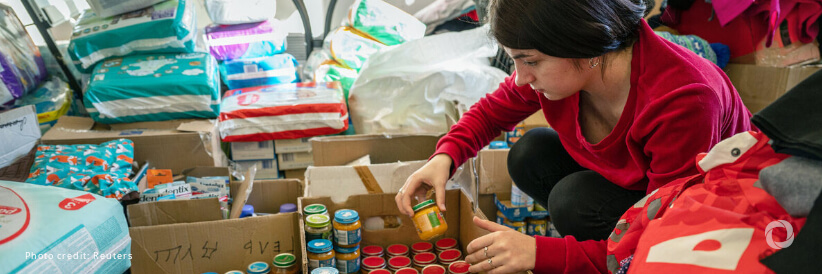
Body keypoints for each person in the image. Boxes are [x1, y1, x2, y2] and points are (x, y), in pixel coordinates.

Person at [394, 0, 754, 273]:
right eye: (514, 61)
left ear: (585, 43)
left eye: (530, 62)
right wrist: (444, 158)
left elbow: (665, 235)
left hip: (711, 219)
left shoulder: (683, 100)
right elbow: (491, 111)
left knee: (574, 200)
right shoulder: (571, 65)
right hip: (649, 188)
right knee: (530, 152)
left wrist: (539, 253)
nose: (520, 78)